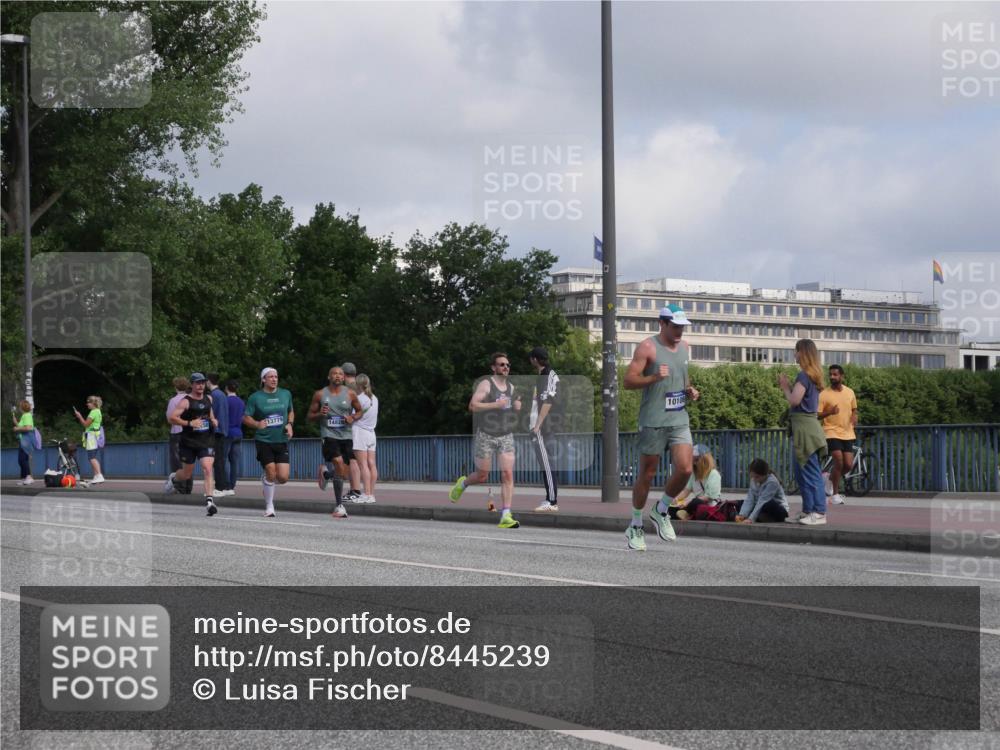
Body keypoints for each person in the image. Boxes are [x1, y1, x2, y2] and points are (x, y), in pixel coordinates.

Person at [622, 304, 700, 551]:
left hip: (679, 419)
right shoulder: (647, 347)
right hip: (653, 420)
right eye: (675, 327)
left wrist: (690, 390)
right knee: (647, 474)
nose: (679, 331)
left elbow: (683, 376)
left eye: (682, 327)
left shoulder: (685, 347)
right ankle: (635, 524)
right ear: (662, 323)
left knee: (686, 468)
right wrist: (653, 377)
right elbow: (628, 381)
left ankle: (661, 509)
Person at [449, 352, 522, 529]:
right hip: (486, 435)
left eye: (508, 365)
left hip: (505, 435)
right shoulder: (486, 384)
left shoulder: (511, 388)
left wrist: (517, 406)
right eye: (502, 364)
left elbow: (515, 407)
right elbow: (473, 405)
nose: (506, 367)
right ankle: (463, 483)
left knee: (507, 474)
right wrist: (495, 404)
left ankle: (506, 515)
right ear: (493, 367)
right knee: (482, 476)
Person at [778, 339, 828, 526]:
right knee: (801, 473)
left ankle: (819, 512)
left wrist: (785, 387)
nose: (794, 354)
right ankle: (808, 510)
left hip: (805, 430)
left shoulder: (804, 375)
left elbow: (794, 400)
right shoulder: (811, 376)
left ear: (803, 353)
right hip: (805, 429)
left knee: (811, 472)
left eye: (796, 351)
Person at [307, 366, 363, 518]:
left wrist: (352, 417)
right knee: (338, 462)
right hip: (329, 434)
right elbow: (309, 416)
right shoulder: (320, 394)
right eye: (334, 374)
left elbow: (359, 411)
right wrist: (320, 414)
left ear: (343, 378)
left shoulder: (350, 393)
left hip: (346, 435)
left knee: (343, 471)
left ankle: (327, 474)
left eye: (340, 374)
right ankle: (339, 506)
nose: (337, 376)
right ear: (329, 377)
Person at [164, 372, 218, 516]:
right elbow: (172, 418)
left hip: (206, 440)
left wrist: (214, 420)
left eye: (203, 383)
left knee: (207, 468)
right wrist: (189, 423)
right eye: (198, 383)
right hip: (188, 442)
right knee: (186, 474)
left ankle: (209, 502)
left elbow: (210, 413)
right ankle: (173, 478)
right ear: (192, 385)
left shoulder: (209, 398)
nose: (201, 385)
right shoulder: (185, 401)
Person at [243, 367, 295, 518]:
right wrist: (257, 424)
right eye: (270, 377)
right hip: (264, 440)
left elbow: (291, 411)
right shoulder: (255, 397)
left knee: (283, 478)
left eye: (276, 377)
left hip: (281, 440)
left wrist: (290, 424)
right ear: (263, 379)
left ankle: (267, 480)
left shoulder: (285, 394)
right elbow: (245, 417)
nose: (274, 379)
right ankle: (269, 506)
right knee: (271, 472)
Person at [818, 364, 858, 506]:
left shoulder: (850, 392)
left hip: (847, 432)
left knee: (848, 465)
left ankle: (829, 479)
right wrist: (829, 412)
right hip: (831, 431)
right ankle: (835, 495)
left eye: (835, 374)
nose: (832, 377)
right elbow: (817, 414)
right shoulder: (824, 394)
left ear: (842, 376)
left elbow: (854, 409)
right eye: (830, 374)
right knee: (839, 462)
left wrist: (855, 416)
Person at [529, 346, 560, 512]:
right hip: (541, 427)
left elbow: (548, 401)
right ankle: (550, 499)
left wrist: (537, 425)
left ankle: (552, 501)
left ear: (535, 359)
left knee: (547, 465)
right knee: (546, 465)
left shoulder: (548, 375)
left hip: (543, 427)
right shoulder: (543, 376)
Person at [667, 444, 721, 520]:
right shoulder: (693, 474)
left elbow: (709, 497)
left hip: (708, 505)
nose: (694, 463)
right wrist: (676, 498)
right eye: (692, 460)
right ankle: (687, 514)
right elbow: (686, 491)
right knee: (671, 507)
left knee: (695, 502)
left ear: (704, 460)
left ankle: (688, 514)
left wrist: (688, 503)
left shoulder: (714, 474)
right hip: (694, 504)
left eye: (696, 460)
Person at [352, 373, 379, 503]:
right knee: (372, 464)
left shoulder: (359, 399)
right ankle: (371, 494)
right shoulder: (375, 398)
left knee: (362, 465)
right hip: (372, 433)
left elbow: (353, 417)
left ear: (358, 385)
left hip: (360, 432)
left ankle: (366, 494)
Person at [735, 458, 790, 523]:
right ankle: (760, 517)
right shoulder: (753, 480)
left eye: (757, 477)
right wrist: (742, 515)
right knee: (740, 503)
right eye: (752, 476)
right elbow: (750, 499)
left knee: (768, 504)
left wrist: (751, 519)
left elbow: (762, 501)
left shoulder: (772, 482)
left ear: (765, 474)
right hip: (760, 505)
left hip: (778, 510)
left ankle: (761, 517)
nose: (754, 479)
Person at [340, 362, 364, 502]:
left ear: (343, 375)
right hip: (365, 429)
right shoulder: (363, 387)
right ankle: (358, 490)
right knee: (358, 461)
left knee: (351, 460)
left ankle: (355, 490)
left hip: (352, 429)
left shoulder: (347, 390)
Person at [207, 374, 229, 499]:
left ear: (209, 382)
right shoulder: (222, 394)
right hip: (223, 430)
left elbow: (210, 413)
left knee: (216, 460)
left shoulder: (213, 395)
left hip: (215, 430)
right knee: (220, 459)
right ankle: (223, 486)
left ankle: (219, 487)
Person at [73, 395, 105, 484]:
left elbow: (85, 424)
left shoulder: (93, 412)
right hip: (95, 435)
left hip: (92, 436)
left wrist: (79, 416)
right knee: (92, 456)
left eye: (88, 403)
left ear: (93, 403)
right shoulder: (98, 411)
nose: (87, 404)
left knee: (91, 457)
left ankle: (99, 475)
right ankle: (96, 476)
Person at [224, 379, 244, 496]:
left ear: (226, 388)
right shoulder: (241, 402)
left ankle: (226, 485)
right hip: (238, 432)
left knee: (224, 459)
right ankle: (232, 485)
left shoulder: (226, 401)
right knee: (234, 461)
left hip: (227, 433)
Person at [12, 400, 35, 485]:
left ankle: (29, 477)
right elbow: (23, 427)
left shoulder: (27, 415)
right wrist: (16, 423)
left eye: (20, 406)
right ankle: (24, 478)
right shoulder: (25, 416)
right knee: (22, 459)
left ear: (22, 408)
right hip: (24, 440)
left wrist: (17, 429)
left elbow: (28, 428)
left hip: (26, 441)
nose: (19, 408)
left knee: (22, 460)